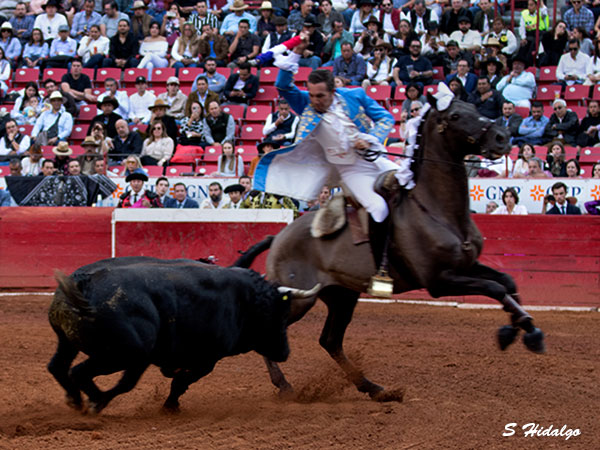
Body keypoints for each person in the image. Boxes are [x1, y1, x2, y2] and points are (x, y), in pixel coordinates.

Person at [257, 50, 402, 226]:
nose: (315, 100)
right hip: (351, 169)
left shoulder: (355, 94)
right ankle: (380, 253)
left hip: (376, 158)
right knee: (378, 209)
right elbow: (283, 85)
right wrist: (294, 55)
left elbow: (386, 118)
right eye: (311, 95)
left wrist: (371, 138)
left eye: (320, 96)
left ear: (333, 91)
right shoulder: (306, 105)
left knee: (408, 185)